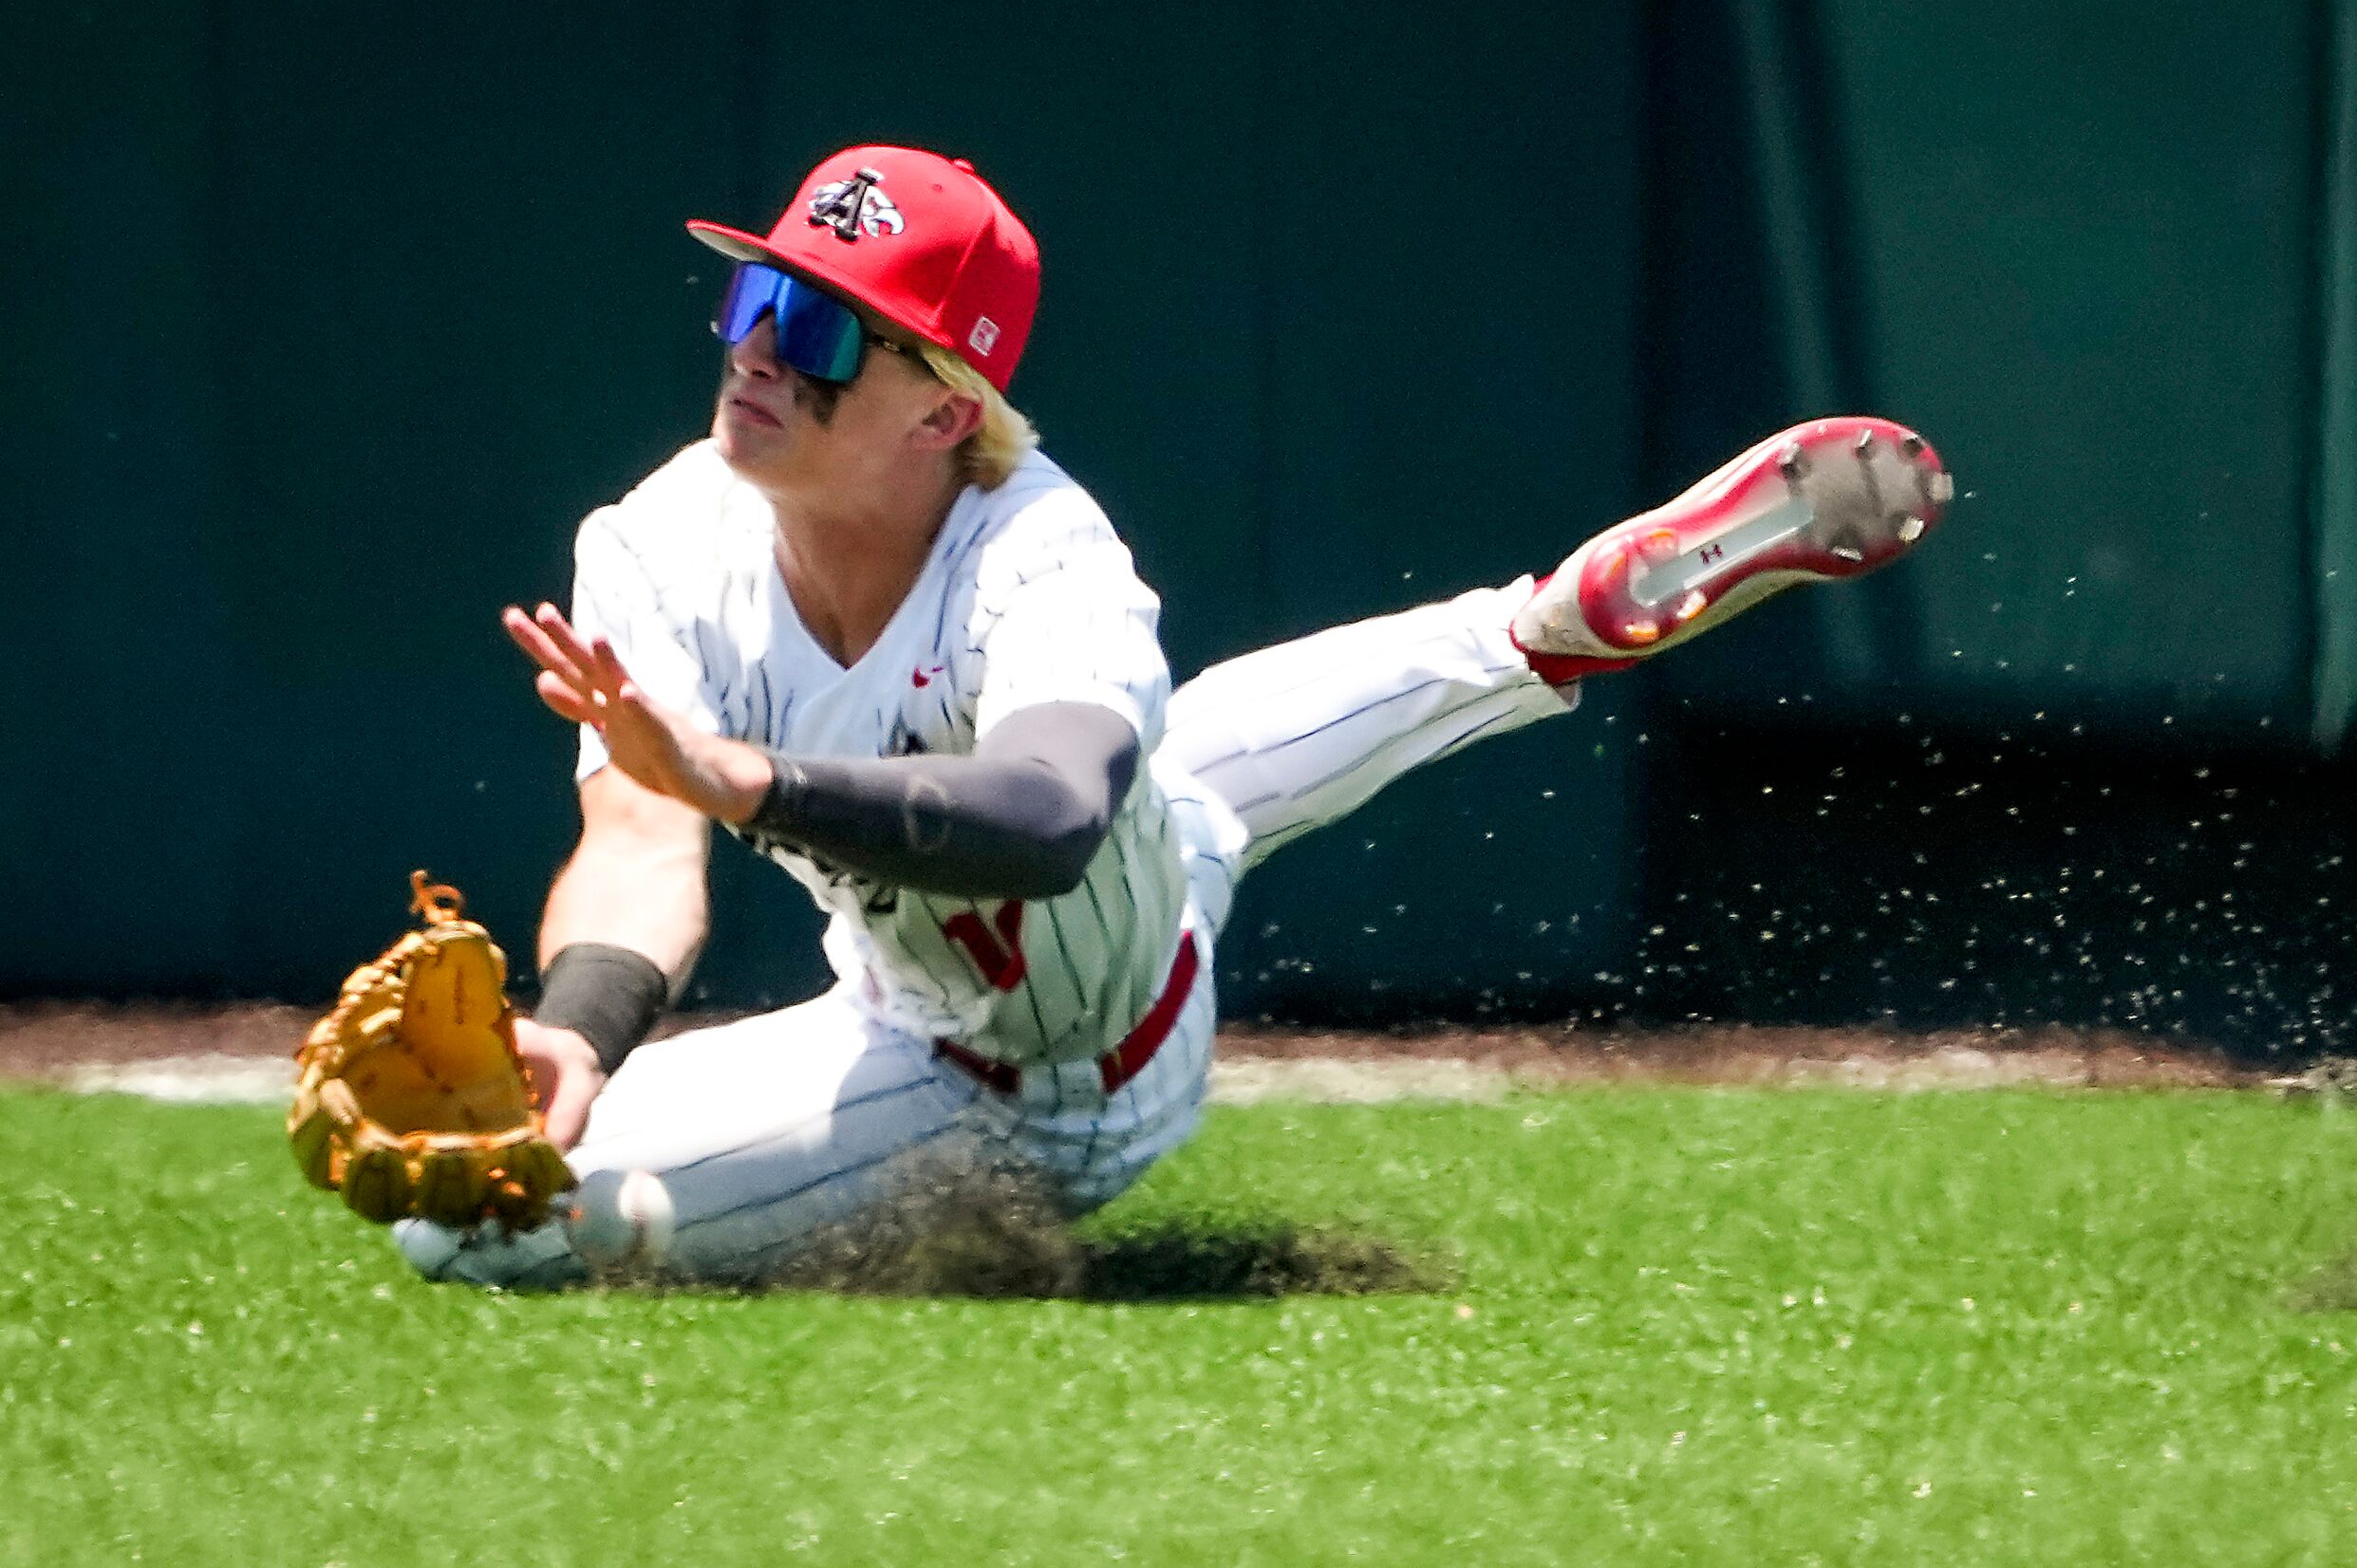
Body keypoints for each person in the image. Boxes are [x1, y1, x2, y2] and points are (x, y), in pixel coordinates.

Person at [397, 144, 1950, 1287]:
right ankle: (1540, 630)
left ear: (947, 409)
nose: (754, 350)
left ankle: (1526, 639)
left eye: (814, 332)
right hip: (947, 965)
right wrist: (580, 1032)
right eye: (755, 294)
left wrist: (751, 780)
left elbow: (1053, 823)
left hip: (1054, 1071)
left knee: (472, 1245)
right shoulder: (659, 541)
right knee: (1192, 779)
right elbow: (638, 835)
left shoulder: (1039, 548)